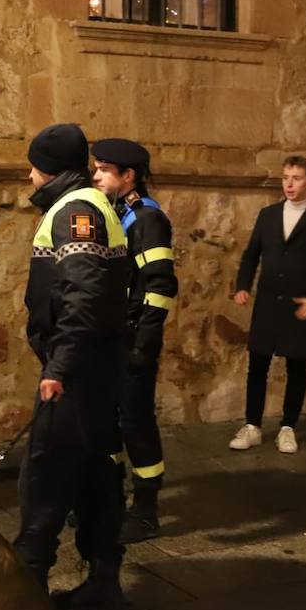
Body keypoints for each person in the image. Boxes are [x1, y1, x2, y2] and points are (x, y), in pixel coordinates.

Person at [12, 124, 134, 610]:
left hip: (79, 369)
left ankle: (26, 601)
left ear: (49, 168)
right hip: (95, 364)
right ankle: (103, 585)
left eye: (33, 164)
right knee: (94, 475)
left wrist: (60, 364)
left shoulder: (75, 209)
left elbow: (82, 292)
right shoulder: (84, 203)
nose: (28, 173)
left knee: (43, 475)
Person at [90, 138, 177, 544]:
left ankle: (146, 511)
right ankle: (108, 501)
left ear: (129, 176)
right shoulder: (116, 213)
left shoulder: (147, 219)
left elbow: (159, 285)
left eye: (105, 169)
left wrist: (144, 344)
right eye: (97, 167)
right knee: (106, 422)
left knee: (136, 423)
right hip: (111, 339)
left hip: (133, 341)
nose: (96, 175)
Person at [230, 155, 306, 454]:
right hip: (268, 300)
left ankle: (287, 427)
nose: (289, 184)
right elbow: (251, 254)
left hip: (300, 303)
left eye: (296, 178)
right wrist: (242, 285)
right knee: (258, 364)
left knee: (296, 366)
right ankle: (252, 425)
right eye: (285, 177)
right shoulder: (268, 215)